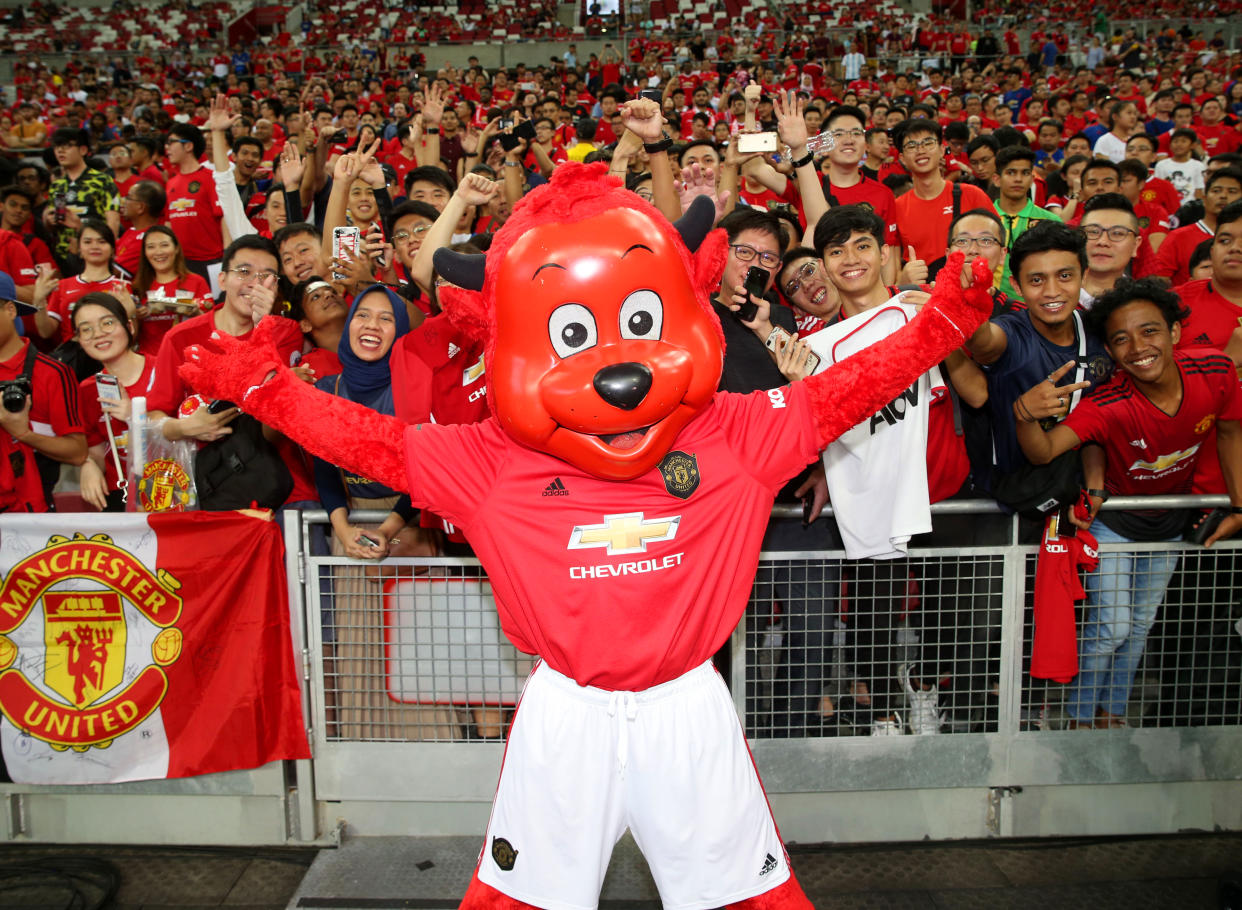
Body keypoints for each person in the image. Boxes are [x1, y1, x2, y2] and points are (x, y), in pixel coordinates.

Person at [1012, 279, 1242, 728]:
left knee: (1139, 628)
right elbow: (1042, 452)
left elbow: (1232, 430)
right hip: (1113, 522)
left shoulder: (1215, 370)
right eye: (1121, 339)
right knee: (1112, 627)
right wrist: (1025, 412)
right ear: (1111, 352)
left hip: (1170, 523)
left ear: (1175, 333)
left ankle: (1111, 713)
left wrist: (1238, 506)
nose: (1138, 347)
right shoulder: (1107, 402)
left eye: (1150, 331)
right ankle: (1078, 717)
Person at [312, 283, 460, 740]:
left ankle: (433, 760)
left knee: (424, 656)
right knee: (361, 654)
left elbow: (430, 468)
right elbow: (323, 470)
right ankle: (362, 761)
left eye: (385, 318)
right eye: (363, 315)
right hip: (355, 534)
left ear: (399, 332)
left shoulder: (415, 388)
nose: (370, 326)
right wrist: (342, 527)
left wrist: (392, 526)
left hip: (411, 526)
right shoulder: (326, 389)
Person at [963, 220, 1113, 499]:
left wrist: (1095, 483)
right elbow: (985, 341)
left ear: (1084, 275)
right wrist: (967, 307)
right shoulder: (1011, 331)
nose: (1052, 291)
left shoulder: (1101, 333)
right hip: (1011, 497)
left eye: (1065, 276)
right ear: (1016, 286)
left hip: (1079, 495)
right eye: (1036, 280)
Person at [0, 270, 86, 513]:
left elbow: (78, 453)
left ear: (10, 310)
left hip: (28, 523)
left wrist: (24, 434)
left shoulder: (52, 373)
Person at [73, 292, 154, 511]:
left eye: (107, 323)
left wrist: (134, 417)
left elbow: (187, 438)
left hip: (169, 487)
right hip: (121, 496)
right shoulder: (87, 389)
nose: (98, 334)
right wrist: (87, 463)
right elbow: (95, 449)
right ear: (79, 340)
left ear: (129, 326)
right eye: (86, 329)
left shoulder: (163, 370)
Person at [893, 119, 992, 265]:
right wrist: (904, 279)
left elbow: (996, 246)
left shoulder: (972, 196)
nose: (921, 150)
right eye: (911, 146)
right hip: (920, 286)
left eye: (928, 143)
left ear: (941, 150)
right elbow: (892, 266)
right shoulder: (896, 208)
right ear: (902, 158)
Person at [34, 219, 132, 348]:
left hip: (112, 354)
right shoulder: (63, 286)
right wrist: (38, 300)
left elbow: (131, 336)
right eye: (87, 242)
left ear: (113, 249)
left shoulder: (122, 286)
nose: (94, 246)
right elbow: (45, 332)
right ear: (79, 248)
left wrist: (132, 314)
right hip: (73, 359)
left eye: (101, 241)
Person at [44, 127, 121, 267]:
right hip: (63, 256)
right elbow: (53, 226)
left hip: (94, 256)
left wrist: (109, 253)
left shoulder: (102, 181)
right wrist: (49, 221)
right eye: (57, 147)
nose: (60, 151)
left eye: (67, 146)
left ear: (83, 150)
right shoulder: (57, 185)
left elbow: (113, 222)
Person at [131, 225, 212, 355]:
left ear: (176, 248)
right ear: (145, 253)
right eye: (151, 247)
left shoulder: (196, 281)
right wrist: (135, 316)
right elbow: (130, 334)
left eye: (164, 245)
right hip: (150, 361)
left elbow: (211, 326)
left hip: (188, 359)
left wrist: (195, 312)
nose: (158, 252)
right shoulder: (137, 286)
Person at [992, 145, 1061, 298]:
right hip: (990, 307)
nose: (1018, 179)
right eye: (1011, 172)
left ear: (1032, 179)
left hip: (1036, 306)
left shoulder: (1051, 221)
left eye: (1025, 173)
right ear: (997, 179)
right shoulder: (983, 220)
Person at [164, 122, 225, 291]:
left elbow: (223, 219)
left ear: (188, 146)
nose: (166, 147)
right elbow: (169, 223)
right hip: (181, 264)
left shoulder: (211, 178)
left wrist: (227, 257)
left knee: (213, 308)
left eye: (171, 142)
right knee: (188, 311)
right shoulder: (170, 184)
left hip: (212, 262)